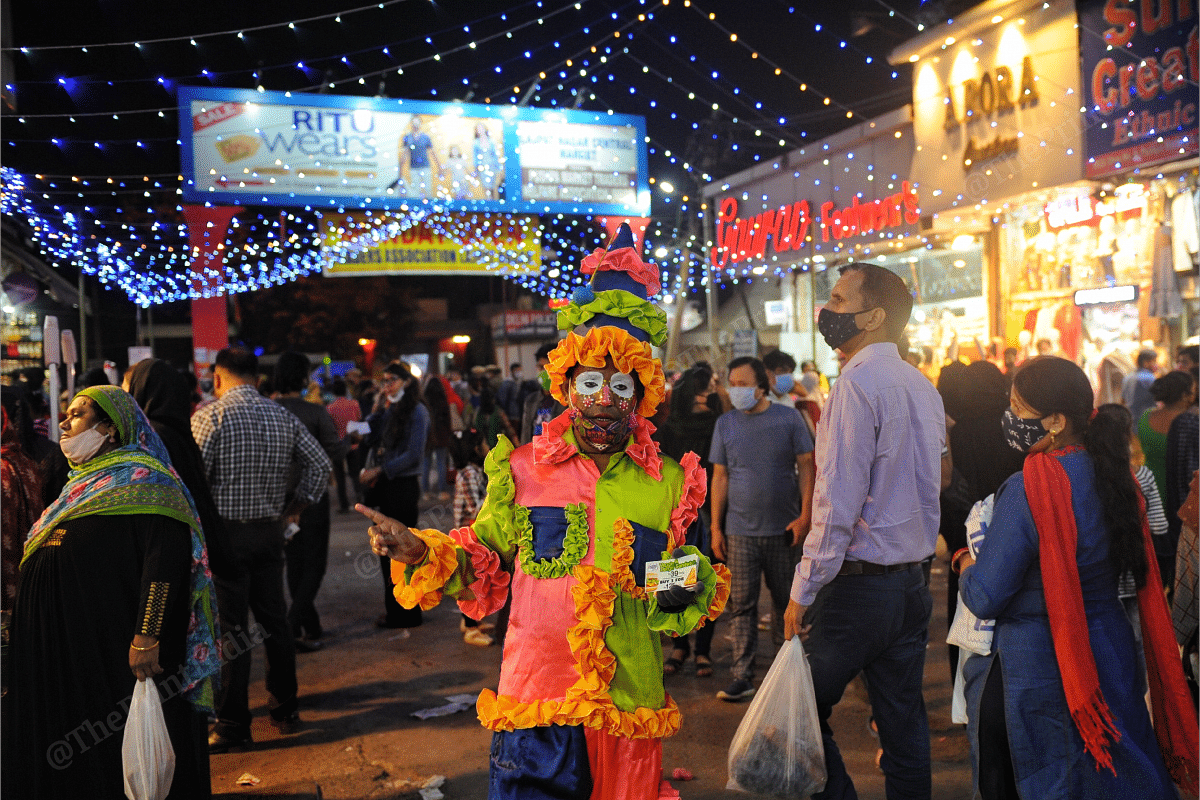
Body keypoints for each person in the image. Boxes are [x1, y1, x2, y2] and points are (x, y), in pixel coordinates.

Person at [356, 223, 728, 800]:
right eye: (591, 384)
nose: (605, 400)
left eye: (621, 388)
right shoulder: (525, 469)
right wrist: (418, 548)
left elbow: (684, 595)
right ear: (566, 384)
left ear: (643, 393)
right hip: (536, 699)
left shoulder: (671, 482)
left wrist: (664, 577)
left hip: (626, 704)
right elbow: (483, 555)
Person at [955, 357, 1199, 799]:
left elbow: (986, 596)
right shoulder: (1118, 475)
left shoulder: (1028, 487)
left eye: (1017, 407)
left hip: (1038, 663)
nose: (1008, 418)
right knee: (1115, 771)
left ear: (1056, 421)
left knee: (1053, 778)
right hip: (1111, 646)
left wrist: (966, 564)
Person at [3, 386, 220, 798]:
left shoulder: (151, 483)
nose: (64, 423)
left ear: (112, 428)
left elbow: (165, 564)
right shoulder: (74, 491)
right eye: (64, 415)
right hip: (68, 657)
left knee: (112, 749)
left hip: (119, 656)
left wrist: (148, 634)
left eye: (78, 414)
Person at [784, 262, 946, 800]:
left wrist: (803, 589)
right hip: (910, 584)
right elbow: (938, 478)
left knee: (798, 710)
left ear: (874, 316)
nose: (826, 310)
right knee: (902, 722)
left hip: (859, 587)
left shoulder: (856, 385)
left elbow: (836, 501)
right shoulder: (920, 384)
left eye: (836, 298)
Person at [192, 347, 331, 752]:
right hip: (270, 532)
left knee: (232, 632)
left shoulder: (209, 417)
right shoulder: (283, 415)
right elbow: (320, 464)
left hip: (225, 538)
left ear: (218, 377)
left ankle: (234, 723)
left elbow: (196, 481)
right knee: (276, 622)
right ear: (256, 376)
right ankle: (285, 708)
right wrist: (295, 508)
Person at [710, 355, 814, 701]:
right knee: (741, 605)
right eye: (732, 384)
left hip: (784, 530)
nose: (736, 390)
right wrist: (715, 527)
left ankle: (788, 673)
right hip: (739, 532)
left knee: (788, 602)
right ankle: (742, 675)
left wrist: (805, 515)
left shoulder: (788, 419)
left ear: (760, 385)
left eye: (743, 384)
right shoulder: (726, 424)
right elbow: (720, 476)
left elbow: (808, 467)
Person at [940, 361, 1025, 685]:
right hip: (1013, 528)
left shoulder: (958, 431)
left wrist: (953, 539)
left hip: (968, 537)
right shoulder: (1014, 425)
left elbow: (948, 486)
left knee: (966, 610)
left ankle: (968, 689)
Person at [274, 352, 347, 652]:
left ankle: (310, 625)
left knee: (294, 563)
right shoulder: (315, 413)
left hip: (280, 498)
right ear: (304, 379)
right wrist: (352, 441)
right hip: (312, 498)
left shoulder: (270, 411)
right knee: (314, 566)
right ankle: (292, 625)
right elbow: (335, 451)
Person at [660, 363, 725, 677]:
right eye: (704, 392)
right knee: (688, 580)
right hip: (685, 514)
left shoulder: (714, 425)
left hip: (703, 513)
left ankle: (693, 649)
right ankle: (689, 647)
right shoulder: (670, 428)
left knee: (694, 581)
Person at [360, 362, 429, 630]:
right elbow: (366, 438)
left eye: (392, 380)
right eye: (383, 380)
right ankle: (394, 611)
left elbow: (414, 454)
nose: (386, 385)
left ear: (407, 382)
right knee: (385, 550)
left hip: (402, 488)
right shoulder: (388, 409)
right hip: (384, 487)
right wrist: (376, 411)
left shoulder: (417, 411)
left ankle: (408, 613)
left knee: (404, 550)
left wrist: (380, 469)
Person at [451, 426, 495, 647]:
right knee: (472, 582)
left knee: (476, 578)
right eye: (485, 443)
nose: (488, 447)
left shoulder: (474, 471)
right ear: (476, 448)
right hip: (467, 536)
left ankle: (471, 622)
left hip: (472, 533)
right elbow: (475, 507)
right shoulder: (469, 473)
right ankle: (470, 629)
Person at [1137, 370, 1195, 502]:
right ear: (1185, 395)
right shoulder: (1190, 422)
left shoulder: (1146, 417)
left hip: (1150, 486)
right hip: (1181, 490)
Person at [326, 378, 363, 512]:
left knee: (340, 476)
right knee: (355, 474)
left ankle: (344, 504)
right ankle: (360, 499)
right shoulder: (354, 404)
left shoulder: (330, 408)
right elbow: (359, 419)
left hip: (338, 445)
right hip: (353, 443)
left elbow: (330, 427)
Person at [519, 342, 566, 444]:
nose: (545, 373)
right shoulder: (531, 400)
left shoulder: (568, 400)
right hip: (534, 455)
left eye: (548, 368)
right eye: (541, 367)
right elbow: (526, 433)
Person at [421, 375, 453, 502]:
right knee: (441, 463)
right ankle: (442, 491)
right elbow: (447, 420)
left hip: (427, 437)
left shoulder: (424, 402)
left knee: (426, 463)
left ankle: (426, 492)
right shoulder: (443, 401)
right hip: (441, 436)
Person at [397, 115, 441, 198]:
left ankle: (429, 209)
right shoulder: (407, 137)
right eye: (414, 122)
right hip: (413, 168)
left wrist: (439, 167)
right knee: (415, 192)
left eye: (417, 122)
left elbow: (433, 153)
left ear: (421, 123)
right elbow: (405, 154)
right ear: (411, 123)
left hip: (425, 167)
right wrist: (400, 169)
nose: (415, 124)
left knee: (428, 190)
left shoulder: (426, 137)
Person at [1122, 348, 1159, 427]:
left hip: (1129, 419)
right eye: (1154, 361)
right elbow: (1157, 399)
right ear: (1145, 362)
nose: (1156, 364)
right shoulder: (1150, 378)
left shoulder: (1127, 377)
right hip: (1145, 420)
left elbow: (1123, 400)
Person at [473, 121, 503, 200]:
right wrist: (476, 169)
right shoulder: (475, 143)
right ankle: (488, 203)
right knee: (486, 187)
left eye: (481, 128)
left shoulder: (491, 141)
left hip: (492, 166)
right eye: (478, 129)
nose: (480, 130)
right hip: (482, 167)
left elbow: (496, 155)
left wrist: (499, 168)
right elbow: (475, 157)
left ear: (485, 129)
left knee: (492, 187)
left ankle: (492, 204)